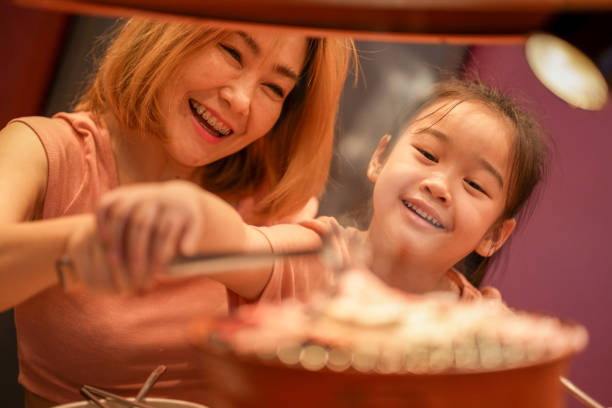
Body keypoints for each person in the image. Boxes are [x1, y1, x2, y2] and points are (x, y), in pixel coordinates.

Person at [0, 17, 355, 407]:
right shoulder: (44, 151)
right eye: (232, 52)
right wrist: (79, 240)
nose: (241, 99)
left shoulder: (273, 203)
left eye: (274, 87)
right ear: (171, 33)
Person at [88, 77, 547, 309]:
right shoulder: (313, 256)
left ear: (494, 236)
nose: (439, 186)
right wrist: (192, 212)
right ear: (380, 160)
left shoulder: (482, 328)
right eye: (427, 155)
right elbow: (239, 244)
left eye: (474, 185)